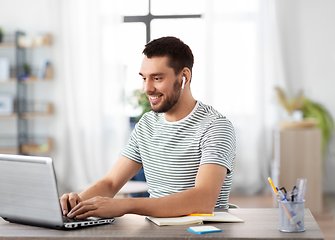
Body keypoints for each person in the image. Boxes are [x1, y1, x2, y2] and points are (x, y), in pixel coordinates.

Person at [60, 36, 236, 219]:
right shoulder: (147, 124)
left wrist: (125, 205)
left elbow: (203, 200)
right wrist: (73, 204)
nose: (147, 88)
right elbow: (111, 183)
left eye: (157, 78)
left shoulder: (216, 127)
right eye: (144, 78)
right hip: (156, 231)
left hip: (204, 232)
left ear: (184, 77)